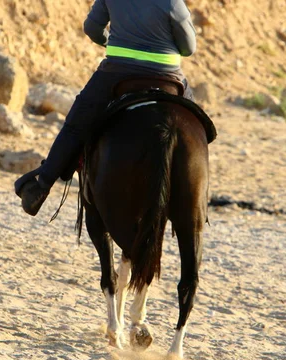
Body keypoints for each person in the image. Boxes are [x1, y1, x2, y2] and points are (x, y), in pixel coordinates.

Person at [15, 0, 198, 216]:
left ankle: (41, 186)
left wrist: (113, 42)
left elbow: (92, 29)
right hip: (168, 76)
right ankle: (195, 197)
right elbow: (189, 48)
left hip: (117, 73)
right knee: (196, 127)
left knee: (75, 124)